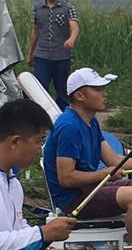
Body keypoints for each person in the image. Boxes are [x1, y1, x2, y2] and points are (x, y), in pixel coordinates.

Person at [43, 68, 132, 250]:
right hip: (74, 198)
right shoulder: (69, 127)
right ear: (80, 95)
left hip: (90, 189)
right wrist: (104, 174)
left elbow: (113, 159)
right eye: (98, 89)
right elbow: (66, 178)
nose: (104, 94)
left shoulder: (91, 122)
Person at [1, 99, 76, 249]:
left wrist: (42, 243)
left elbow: (17, 229)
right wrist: (43, 234)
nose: (40, 149)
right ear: (15, 142)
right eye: (39, 141)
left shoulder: (13, 184)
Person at [27, 0, 80, 109]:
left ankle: (60, 119)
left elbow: (74, 26)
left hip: (61, 57)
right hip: (42, 56)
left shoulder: (68, 8)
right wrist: (30, 54)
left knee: (62, 91)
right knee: (40, 90)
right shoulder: (37, 8)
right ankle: (41, 121)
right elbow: (34, 31)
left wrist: (71, 39)